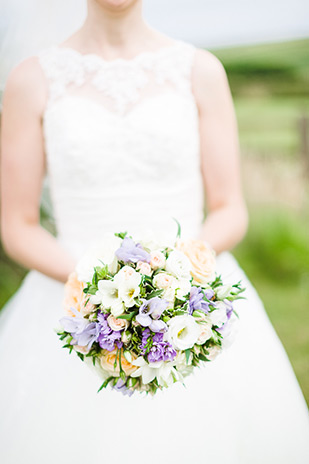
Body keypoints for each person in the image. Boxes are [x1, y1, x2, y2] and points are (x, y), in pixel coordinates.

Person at [0, 1, 308, 463]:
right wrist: (100, 285)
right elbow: (17, 225)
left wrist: (177, 274)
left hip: (191, 295)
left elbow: (229, 208)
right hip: (71, 299)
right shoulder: (31, 80)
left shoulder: (200, 70)